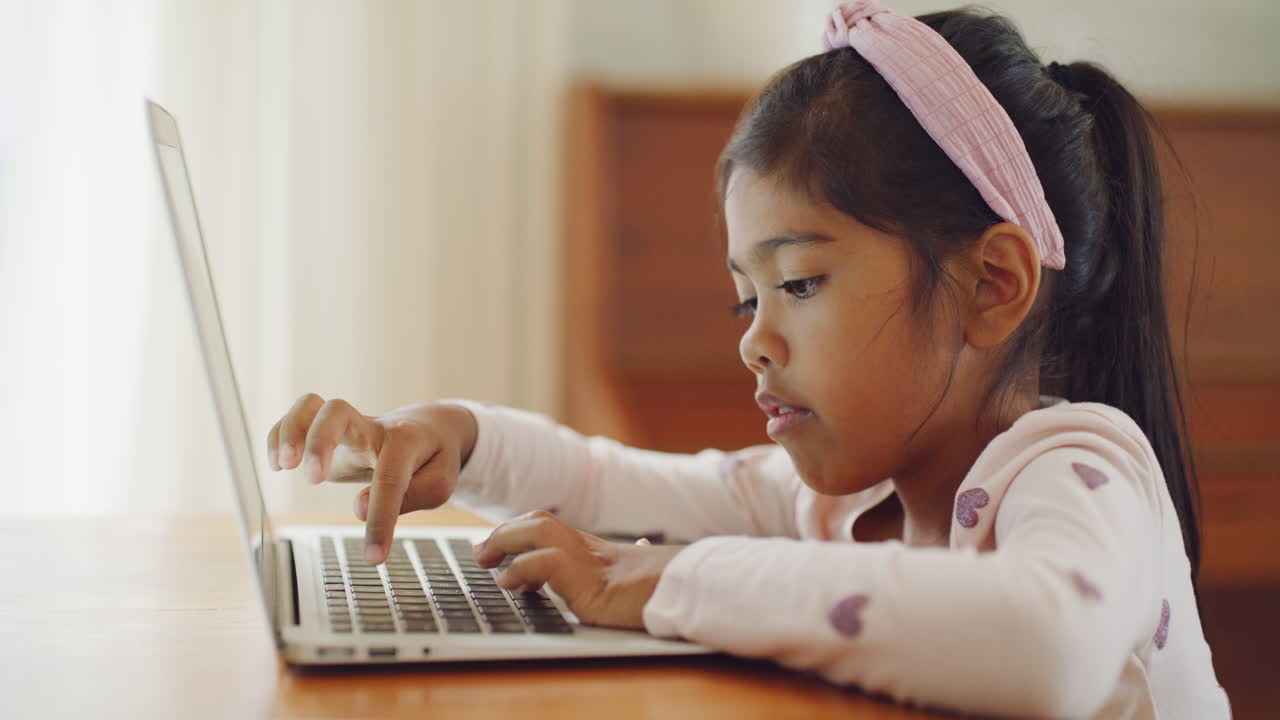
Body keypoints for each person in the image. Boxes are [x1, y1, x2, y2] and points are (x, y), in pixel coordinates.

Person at [267, 2, 1230, 717]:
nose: (752, 339)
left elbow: (1043, 643)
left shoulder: (1075, 465)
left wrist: (664, 584)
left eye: (799, 285)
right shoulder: (843, 502)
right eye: (746, 297)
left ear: (991, 285)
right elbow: (612, 481)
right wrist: (456, 437)